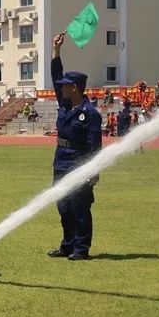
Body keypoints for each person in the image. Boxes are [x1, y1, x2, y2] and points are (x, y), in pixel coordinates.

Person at [48, 32, 103, 261]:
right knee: (63, 204)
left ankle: (81, 249)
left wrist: (93, 170)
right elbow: (56, 75)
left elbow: (94, 145)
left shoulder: (90, 114)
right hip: (61, 159)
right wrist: (57, 51)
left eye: (64, 86)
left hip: (78, 162)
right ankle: (67, 244)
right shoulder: (65, 104)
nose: (60, 88)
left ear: (74, 87)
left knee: (80, 206)